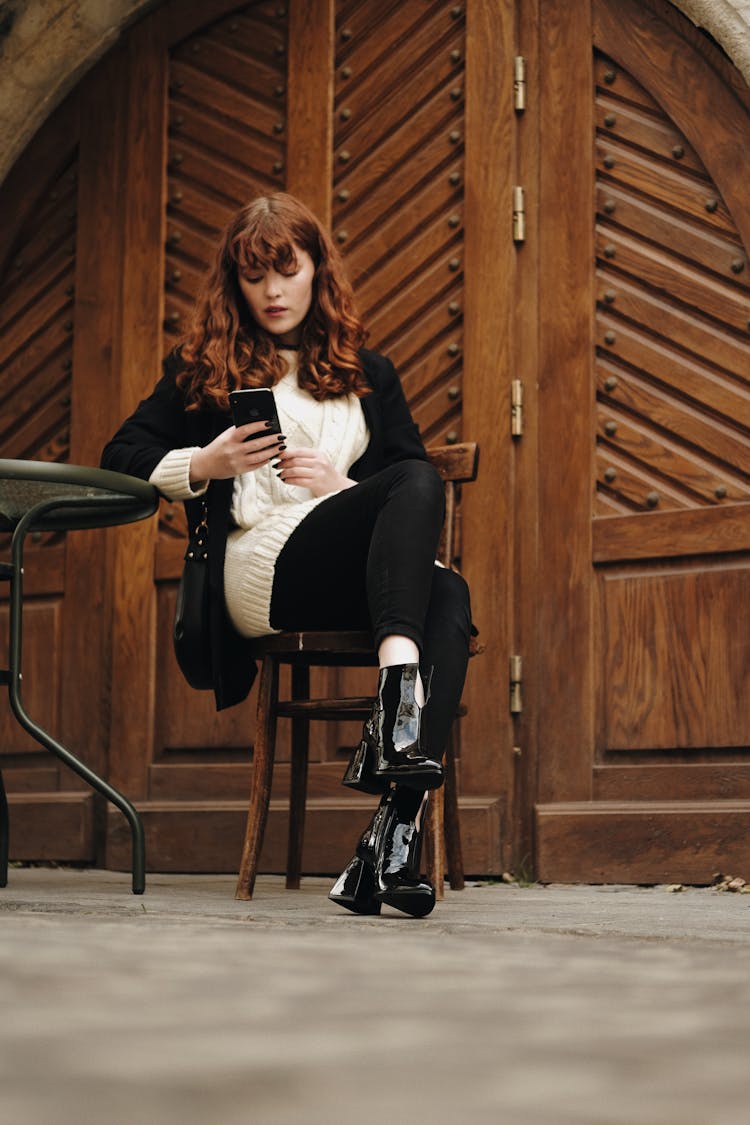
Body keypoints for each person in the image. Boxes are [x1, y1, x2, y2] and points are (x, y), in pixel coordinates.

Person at [101, 192, 473, 918]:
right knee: (425, 533)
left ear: (316, 270)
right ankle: (396, 722)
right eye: (253, 273)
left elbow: (408, 482)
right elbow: (122, 455)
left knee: (449, 590)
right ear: (234, 283)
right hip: (260, 567)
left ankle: (387, 842)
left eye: (287, 268)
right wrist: (204, 461)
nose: (272, 290)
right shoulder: (203, 366)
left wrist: (343, 486)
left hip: (358, 573)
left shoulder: (370, 371)